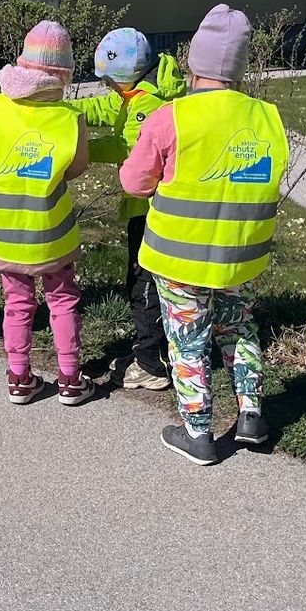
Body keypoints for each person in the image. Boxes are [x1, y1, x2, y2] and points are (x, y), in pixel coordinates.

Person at [120, 4, 289, 465]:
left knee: (188, 341)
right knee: (240, 326)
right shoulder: (267, 117)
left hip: (179, 259)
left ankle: (199, 435)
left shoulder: (172, 117)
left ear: (193, 65)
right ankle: (251, 416)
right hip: (240, 254)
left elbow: (134, 182)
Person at [0, 21, 94, 406]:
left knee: (17, 301)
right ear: (64, 75)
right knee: (63, 298)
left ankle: (19, 377)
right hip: (50, 230)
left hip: (2, 229)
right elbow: (77, 166)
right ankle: (70, 378)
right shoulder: (69, 118)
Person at [66, 28, 186, 390]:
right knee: (153, 281)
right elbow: (105, 109)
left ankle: (149, 363)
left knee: (143, 283)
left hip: (152, 211)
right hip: (150, 208)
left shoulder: (147, 107)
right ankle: (159, 352)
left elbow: (126, 148)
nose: (108, 89)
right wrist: (61, 106)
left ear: (125, 75)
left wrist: (78, 151)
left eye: (109, 81)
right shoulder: (137, 95)